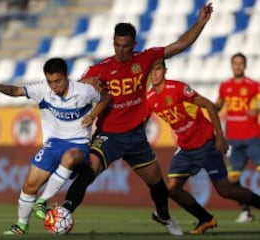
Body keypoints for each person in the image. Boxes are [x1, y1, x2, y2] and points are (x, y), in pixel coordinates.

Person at [48, 3, 213, 236]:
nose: (121, 50)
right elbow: (76, 88)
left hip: (135, 135)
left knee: (157, 182)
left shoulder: (145, 59)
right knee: (89, 170)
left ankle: (164, 216)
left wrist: (200, 23)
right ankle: (66, 210)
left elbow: (180, 45)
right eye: (117, 45)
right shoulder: (101, 68)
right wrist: (87, 84)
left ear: (134, 45)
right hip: (108, 134)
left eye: (125, 46)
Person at [0, 57, 110, 235]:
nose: (54, 86)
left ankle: (43, 201)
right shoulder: (42, 90)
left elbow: (105, 98)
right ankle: (21, 225)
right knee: (30, 185)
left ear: (66, 76)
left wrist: (93, 115)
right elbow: (16, 90)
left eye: (58, 81)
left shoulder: (84, 91)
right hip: (53, 145)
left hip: (78, 145)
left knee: (70, 157)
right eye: (50, 82)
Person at [146, 60, 260, 234]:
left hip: (206, 143)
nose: (154, 74)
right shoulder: (150, 98)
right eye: (151, 70)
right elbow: (141, 122)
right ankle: (206, 219)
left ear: (165, 71)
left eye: (158, 69)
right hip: (185, 148)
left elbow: (208, 105)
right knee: (172, 189)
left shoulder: (178, 89)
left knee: (226, 190)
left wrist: (219, 136)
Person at [215, 52, 260, 223]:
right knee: (232, 178)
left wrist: (257, 109)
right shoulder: (225, 86)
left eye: (241, 63)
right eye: (235, 63)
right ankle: (246, 211)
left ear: (245, 65)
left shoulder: (254, 85)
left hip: (253, 137)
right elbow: (218, 105)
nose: (238, 66)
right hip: (233, 138)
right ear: (232, 65)